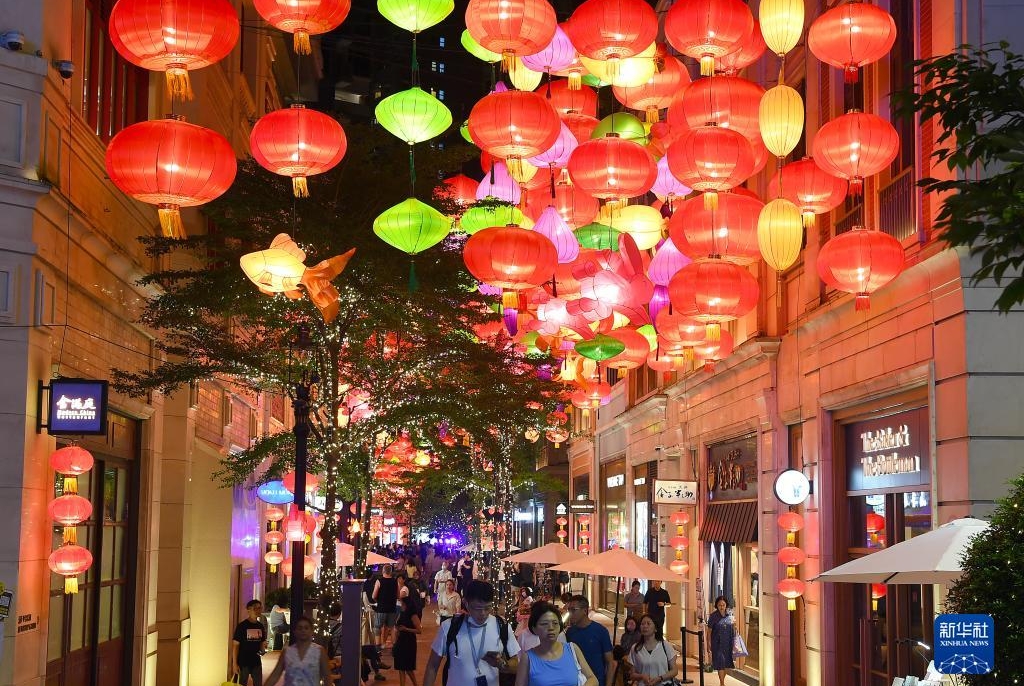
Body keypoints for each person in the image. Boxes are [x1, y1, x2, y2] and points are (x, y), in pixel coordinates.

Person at [422, 580, 520, 686]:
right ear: (466, 603)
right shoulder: (449, 627)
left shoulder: (501, 626)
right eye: (477, 608)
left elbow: (517, 664)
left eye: (487, 607)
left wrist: (502, 664)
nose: (483, 613)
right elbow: (432, 666)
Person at [514, 602, 597, 686]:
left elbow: (592, 679)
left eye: (555, 623)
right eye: (544, 624)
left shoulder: (572, 649)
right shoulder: (527, 658)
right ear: (534, 629)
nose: (551, 628)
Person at [264, 616, 332, 686]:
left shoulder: (319, 651)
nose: (303, 630)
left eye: (306, 628)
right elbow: (275, 675)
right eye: (300, 628)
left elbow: (327, 677)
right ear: (295, 631)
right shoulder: (287, 652)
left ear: (312, 631)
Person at [564, 595, 613, 686]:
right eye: (569, 610)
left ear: (585, 611)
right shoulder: (570, 632)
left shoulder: (600, 631)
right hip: (577, 681)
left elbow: (610, 662)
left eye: (573, 610)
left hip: (597, 681)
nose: (570, 613)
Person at [625, 615, 678, 686]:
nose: (645, 626)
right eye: (642, 624)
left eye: (648, 623)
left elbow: (674, 670)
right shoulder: (635, 648)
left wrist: (660, 678)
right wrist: (642, 676)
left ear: (655, 629)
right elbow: (632, 675)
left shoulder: (665, 645)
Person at [232, 599, 268, 686]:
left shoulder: (260, 626)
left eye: (260, 608)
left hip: (256, 661)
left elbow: (262, 642)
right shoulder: (242, 626)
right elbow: (235, 646)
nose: (258, 610)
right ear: (248, 610)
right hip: (243, 662)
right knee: (241, 684)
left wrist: (262, 650)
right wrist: (234, 664)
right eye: (255, 608)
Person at [393, 597, 422, 686]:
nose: (401, 605)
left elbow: (419, 630)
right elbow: (397, 625)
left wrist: (406, 629)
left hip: (409, 642)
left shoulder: (413, 615)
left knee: (408, 668)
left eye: (403, 604)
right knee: (401, 667)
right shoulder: (401, 613)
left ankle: (415, 684)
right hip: (400, 641)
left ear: (407, 605)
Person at [705, 597, 735, 686]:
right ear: (716, 606)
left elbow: (733, 628)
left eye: (723, 605)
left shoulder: (730, 615)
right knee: (721, 663)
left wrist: (735, 626)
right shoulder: (713, 616)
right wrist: (708, 643)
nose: (721, 607)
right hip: (717, 643)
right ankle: (722, 683)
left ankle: (722, 681)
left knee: (727, 664)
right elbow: (709, 631)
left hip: (728, 643)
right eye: (719, 605)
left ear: (726, 605)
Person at [373, 564, 400, 648]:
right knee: (391, 627)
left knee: (377, 627)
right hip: (392, 608)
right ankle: (394, 647)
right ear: (391, 572)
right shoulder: (395, 581)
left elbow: (374, 596)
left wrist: (378, 601)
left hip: (381, 608)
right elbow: (398, 596)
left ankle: (378, 648)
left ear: (383, 571)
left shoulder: (379, 581)